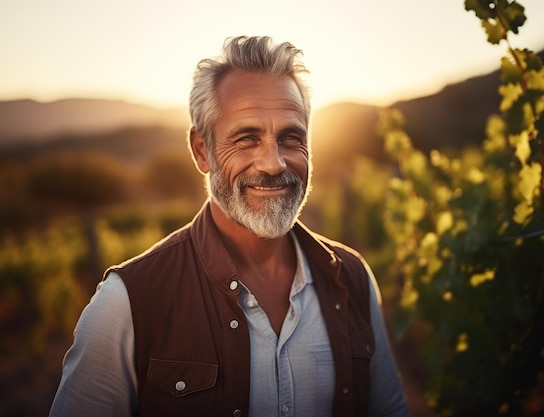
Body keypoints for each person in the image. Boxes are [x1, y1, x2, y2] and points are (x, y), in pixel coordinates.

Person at [49, 36, 409, 417]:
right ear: (202, 150)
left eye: (291, 137)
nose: (273, 163)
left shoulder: (352, 278)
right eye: (246, 138)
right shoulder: (127, 303)